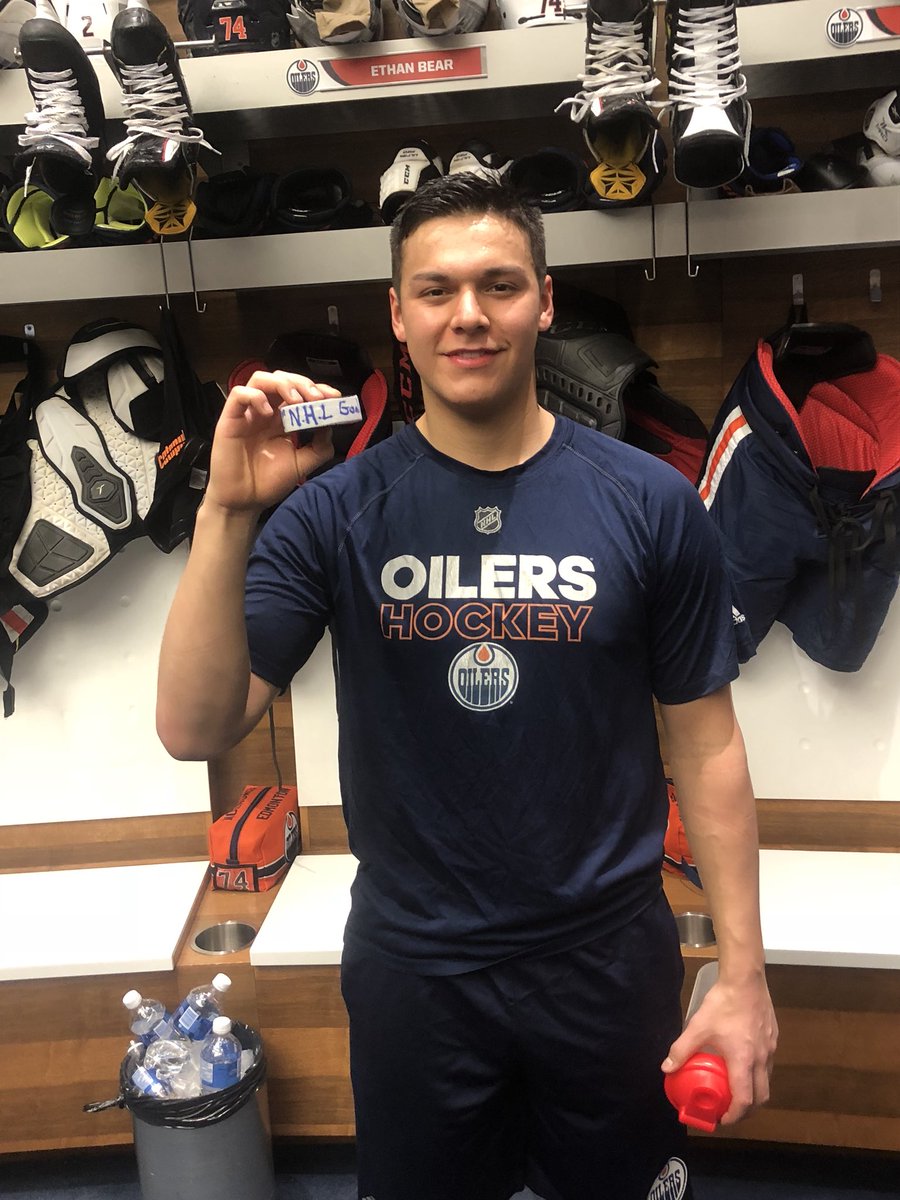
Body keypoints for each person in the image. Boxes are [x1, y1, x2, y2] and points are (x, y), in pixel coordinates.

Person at [157, 174, 777, 1200]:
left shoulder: (650, 503)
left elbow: (707, 745)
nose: (470, 315)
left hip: (604, 958)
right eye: (436, 291)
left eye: (497, 284)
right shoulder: (334, 513)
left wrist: (745, 976)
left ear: (544, 298)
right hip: (417, 971)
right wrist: (227, 512)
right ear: (397, 317)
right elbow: (194, 726)